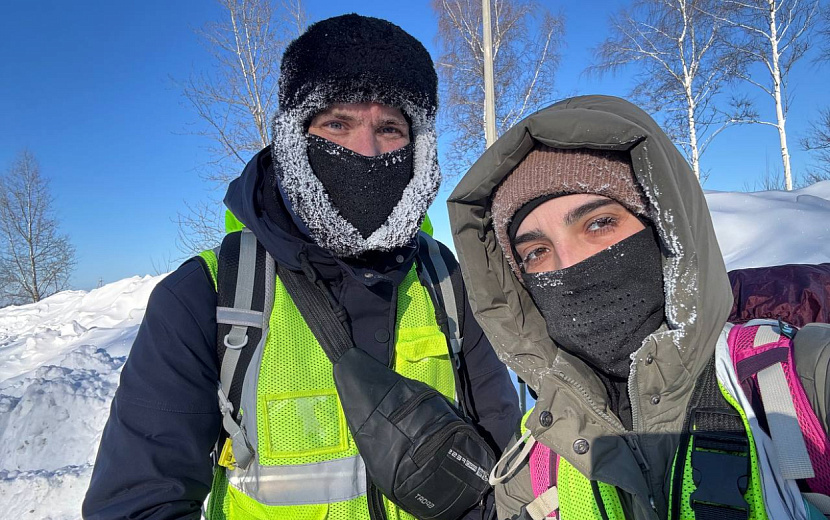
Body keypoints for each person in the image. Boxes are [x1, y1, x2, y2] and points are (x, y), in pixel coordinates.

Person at [83, 14, 520, 520]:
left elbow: (505, 473)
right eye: (337, 123)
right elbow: (138, 505)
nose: (367, 150)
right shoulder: (209, 294)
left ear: (418, 146)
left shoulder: (446, 278)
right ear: (295, 134)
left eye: (390, 128)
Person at [447, 95, 830, 519]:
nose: (569, 266)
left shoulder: (804, 381)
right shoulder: (535, 461)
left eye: (598, 224)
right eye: (536, 252)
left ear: (665, 230)